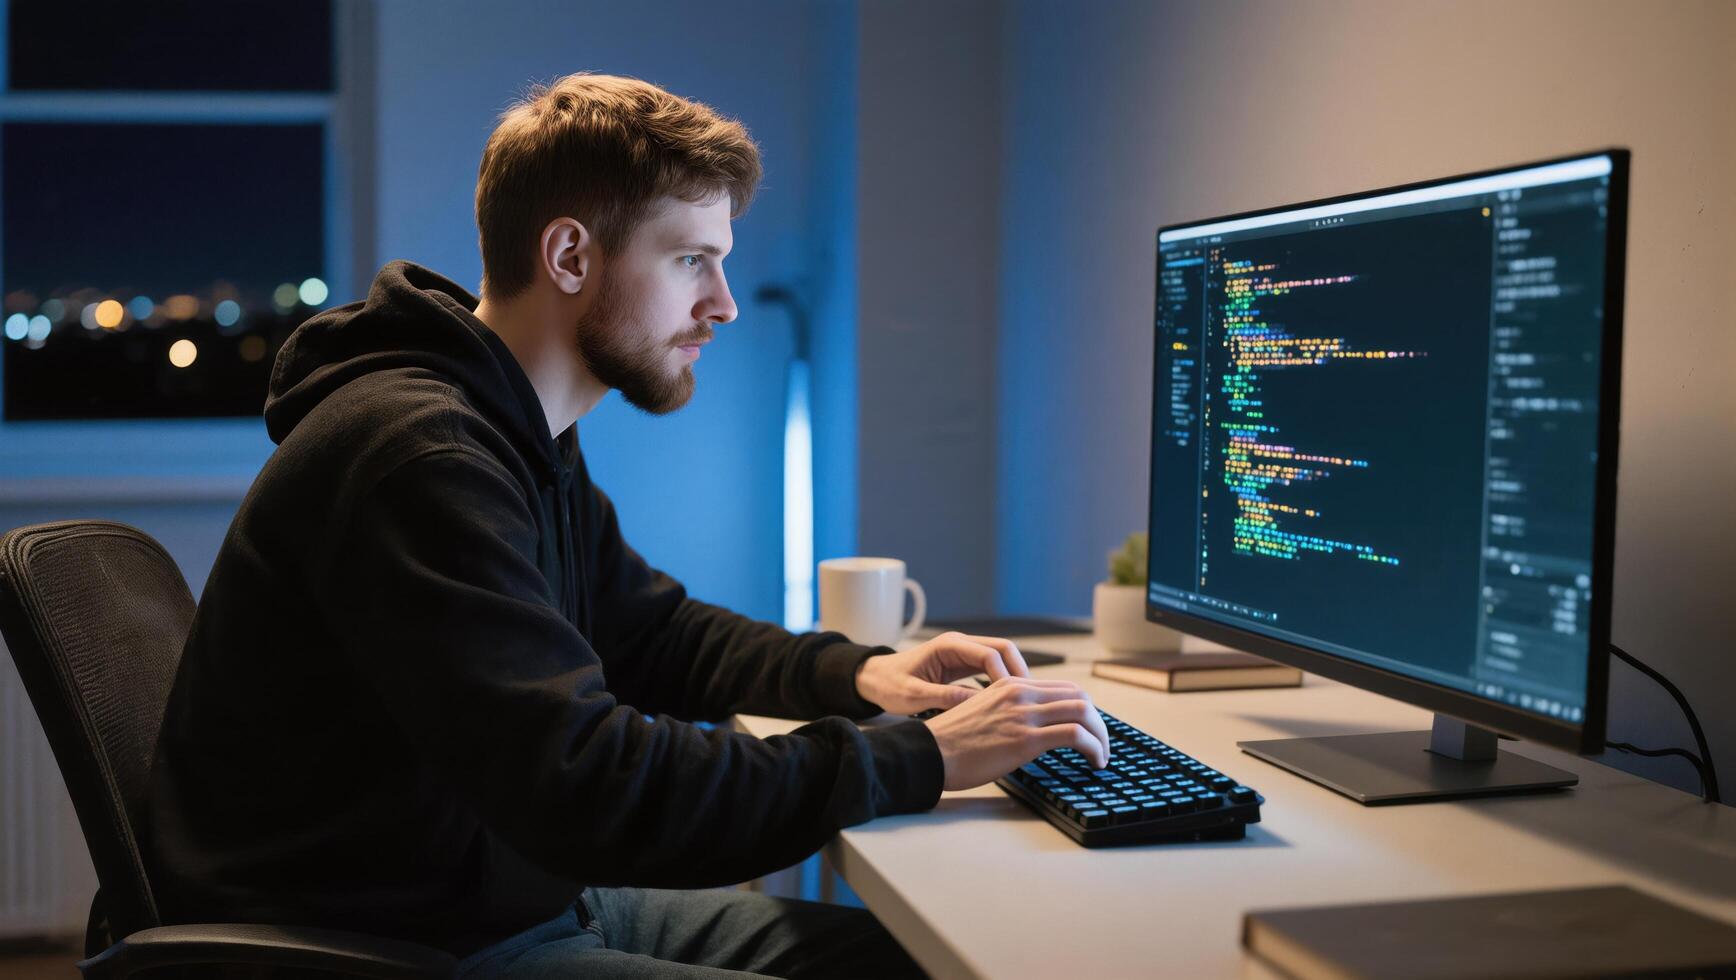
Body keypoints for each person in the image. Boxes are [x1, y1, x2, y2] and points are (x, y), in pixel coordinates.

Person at [143, 72, 1110, 978]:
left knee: (909, 962)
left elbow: (650, 631)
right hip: (407, 942)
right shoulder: (421, 456)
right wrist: (924, 757)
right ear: (570, 255)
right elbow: (591, 784)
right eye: (692, 260)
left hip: (503, 896)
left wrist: (861, 676)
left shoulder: (518, 426)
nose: (722, 305)